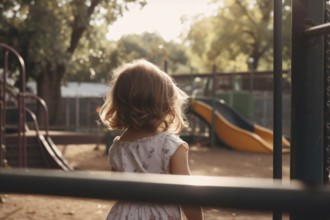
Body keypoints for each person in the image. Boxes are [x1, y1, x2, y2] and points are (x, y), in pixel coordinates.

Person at [99, 59, 204, 220]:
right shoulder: (170, 146)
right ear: (163, 104)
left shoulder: (117, 147)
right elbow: (187, 194)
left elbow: (117, 189)